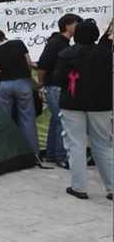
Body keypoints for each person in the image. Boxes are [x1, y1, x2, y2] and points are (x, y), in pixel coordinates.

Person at [53, 19, 113, 201]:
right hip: (101, 104)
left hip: (72, 104)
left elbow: (58, 79)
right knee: (103, 145)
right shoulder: (106, 54)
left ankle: (79, 187)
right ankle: (111, 187)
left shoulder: (66, 54)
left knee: (76, 144)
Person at [37, 13, 81, 165]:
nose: (78, 28)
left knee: (56, 121)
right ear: (68, 25)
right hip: (54, 87)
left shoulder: (62, 43)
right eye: (77, 24)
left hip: (55, 87)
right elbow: (42, 65)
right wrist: (42, 85)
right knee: (61, 121)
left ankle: (52, 155)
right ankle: (61, 157)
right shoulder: (56, 43)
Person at [0, 29, 38, 154]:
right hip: (23, 83)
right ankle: (33, 153)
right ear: (4, 36)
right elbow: (28, 63)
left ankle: (7, 153)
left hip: (5, 86)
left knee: (5, 119)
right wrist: (29, 78)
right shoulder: (18, 44)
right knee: (27, 118)